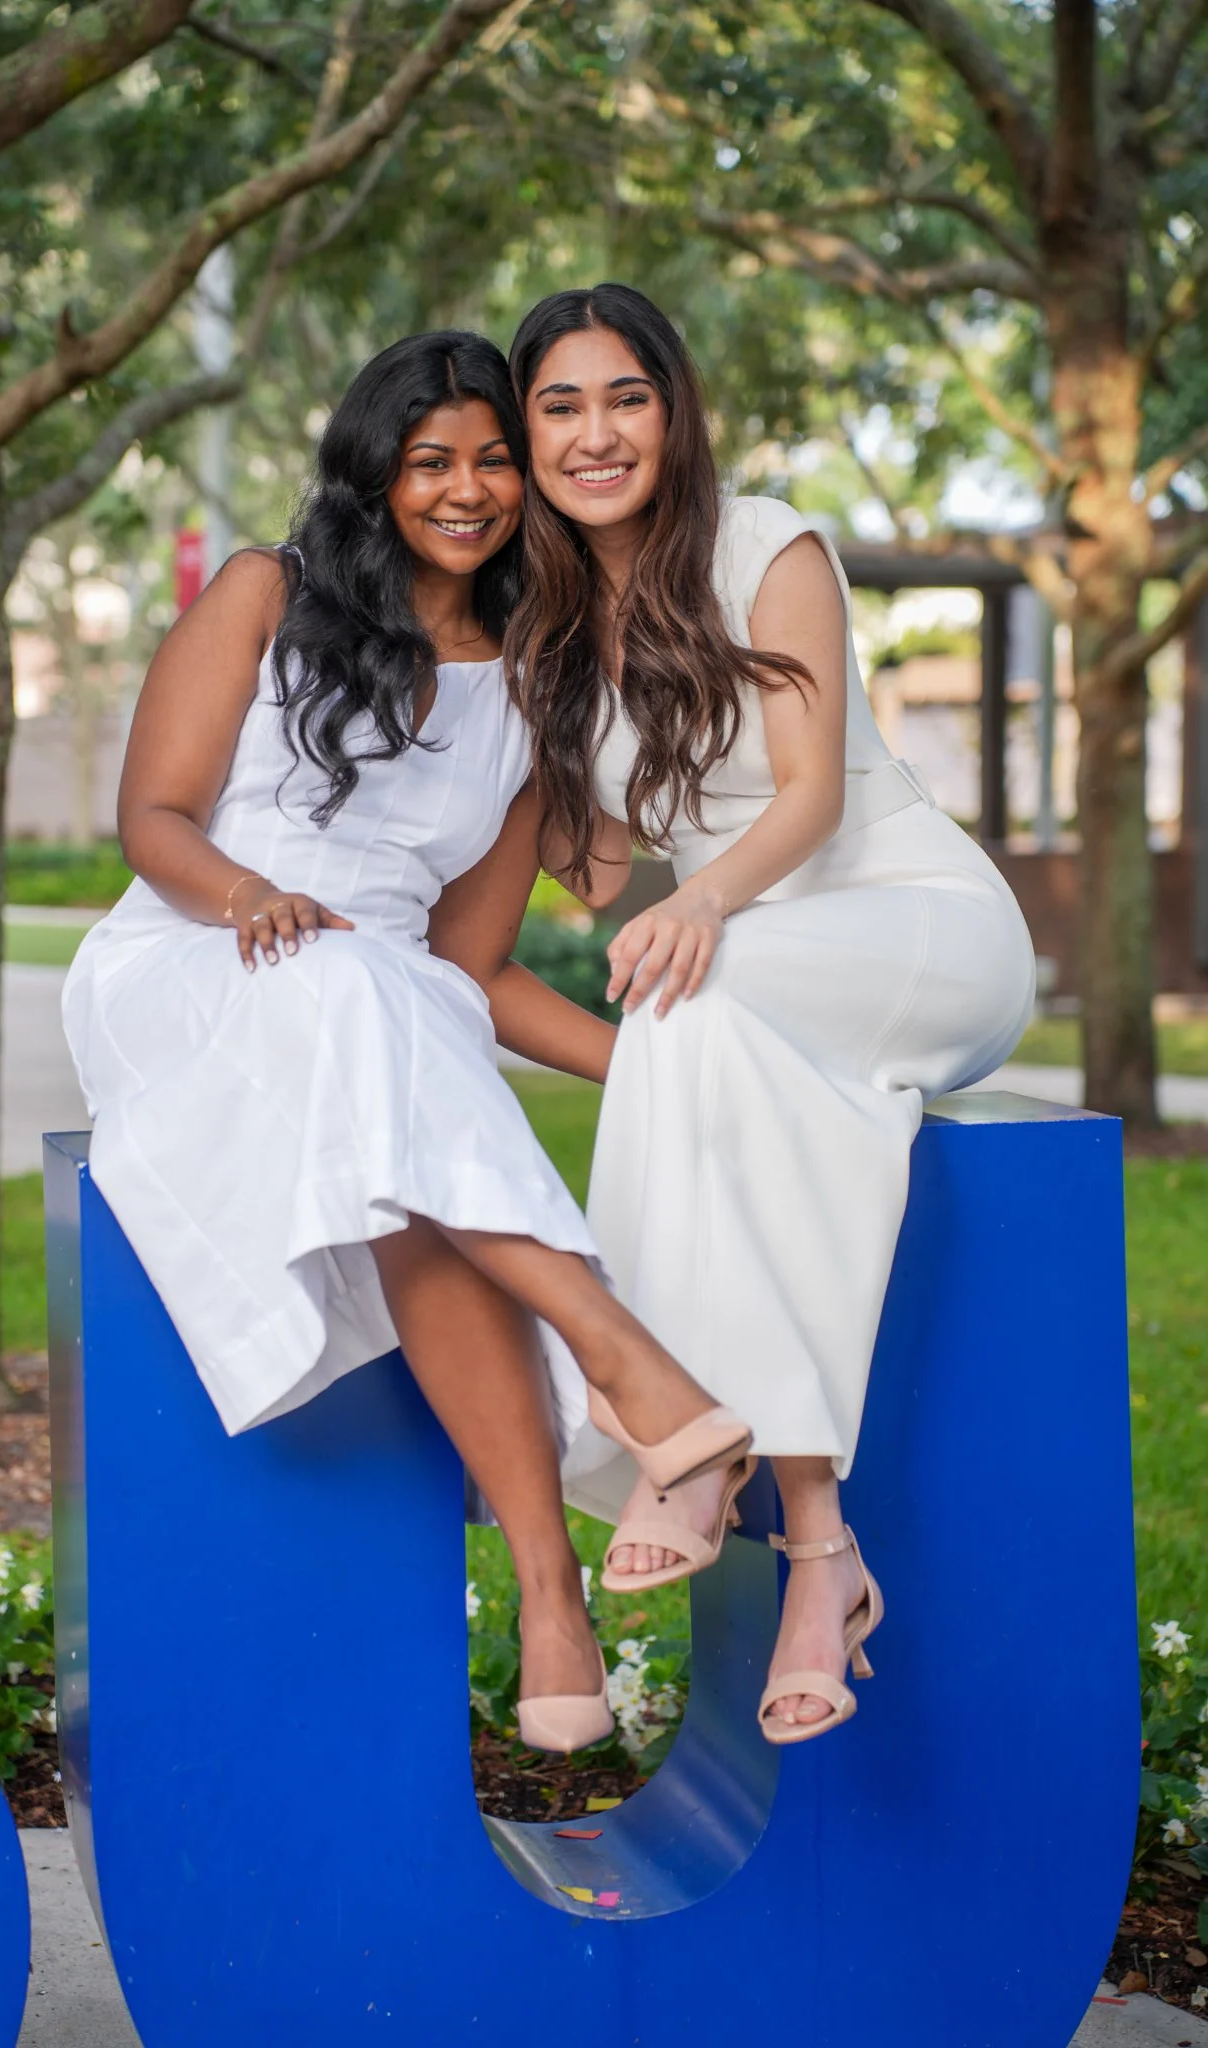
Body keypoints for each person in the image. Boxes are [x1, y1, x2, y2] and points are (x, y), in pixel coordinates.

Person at [62, 329, 751, 1755]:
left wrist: (661, 1064)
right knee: (352, 1001)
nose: (468, 486)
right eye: (430, 460)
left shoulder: (538, 678)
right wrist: (256, 898)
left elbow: (472, 964)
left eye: (495, 459)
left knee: (403, 1140)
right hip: (197, 958)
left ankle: (549, 1597)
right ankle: (622, 1361)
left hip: (379, 1002)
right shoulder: (268, 592)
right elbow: (153, 823)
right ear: (370, 474)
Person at [506, 284, 1036, 1745]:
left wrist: (704, 905)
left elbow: (806, 796)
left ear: (673, 413)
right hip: (750, 984)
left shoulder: (765, 542)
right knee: (694, 1015)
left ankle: (678, 1440)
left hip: (920, 928)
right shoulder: (547, 628)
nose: (597, 433)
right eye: (561, 406)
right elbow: (590, 870)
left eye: (627, 397)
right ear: (527, 434)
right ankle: (818, 1545)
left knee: (690, 984)